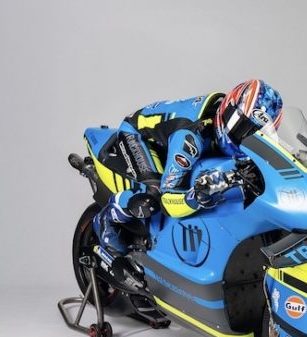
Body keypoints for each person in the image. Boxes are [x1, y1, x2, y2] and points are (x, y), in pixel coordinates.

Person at [94, 79, 283, 257]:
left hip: (172, 137)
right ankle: (106, 218)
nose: (242, 138)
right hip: (137, 135)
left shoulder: (229, 122)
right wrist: (198, 195)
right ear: (228, 109)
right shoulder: (190, 139)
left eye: (253, 135)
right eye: (240, 127)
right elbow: (168, 202)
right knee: (152, 198)